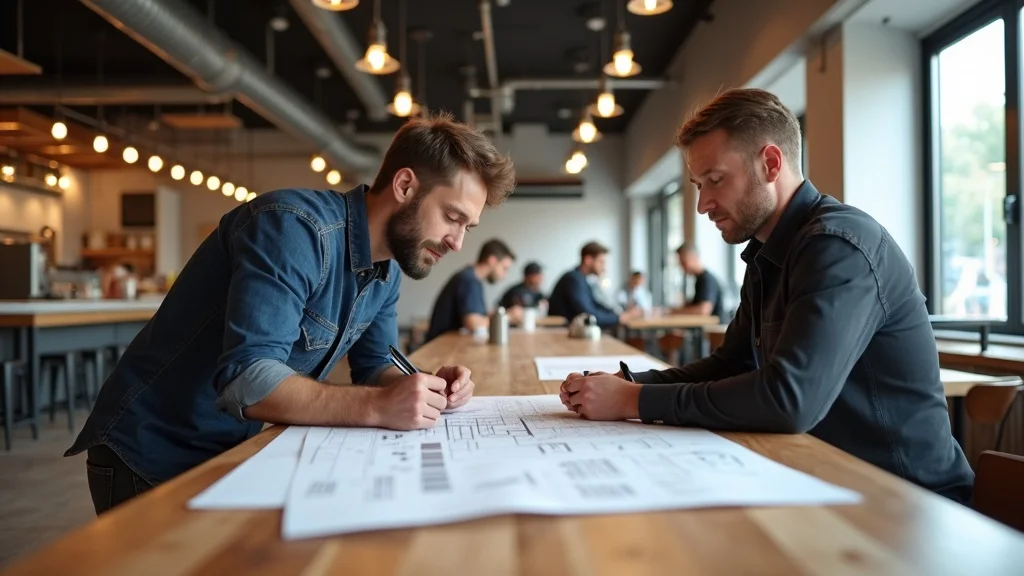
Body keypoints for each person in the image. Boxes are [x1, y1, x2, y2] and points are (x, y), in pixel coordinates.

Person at [65, 112, 517, 514]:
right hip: (153, 453)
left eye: (468, 227)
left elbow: (374, 365)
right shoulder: (294, 227)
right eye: (452, 217)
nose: (458, 243)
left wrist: (424, 387)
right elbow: (248, 381)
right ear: (404, 186)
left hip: (228, 451)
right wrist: (380, 406)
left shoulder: (388, 270)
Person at [559, 88, 974, 503]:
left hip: (908, 500)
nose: (703, 204)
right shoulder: (767, 252)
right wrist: (629, 383)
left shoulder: (838, 245)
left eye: (715, 180)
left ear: (771, 164)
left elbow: (790, 400)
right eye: (698, 185)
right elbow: (730, 364)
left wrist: (635, 401)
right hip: (824, 480)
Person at [425, 239, 516, 341]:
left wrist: (500, 314)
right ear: (492, 260)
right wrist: (508, 317)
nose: (504, 275)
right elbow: (474, 324)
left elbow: (477, 314)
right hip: (441, 347)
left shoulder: (472, 278)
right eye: (504, 268)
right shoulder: (469, 281)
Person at [548, 242, 641, 327]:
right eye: (601, 262)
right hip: (560, 334)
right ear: (588, 260)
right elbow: (589, 315)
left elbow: (595, 306)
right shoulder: (573, 280)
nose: (604, 268)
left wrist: (620, 314)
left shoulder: (581, 279)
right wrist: (619, 318)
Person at [674, 244, 723, 319]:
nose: (681, 267)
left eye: (684, 262)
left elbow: (703, 310)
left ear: (695, 258)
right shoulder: (699, 279)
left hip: (715, 325)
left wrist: (674, 311)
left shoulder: (706, 279)